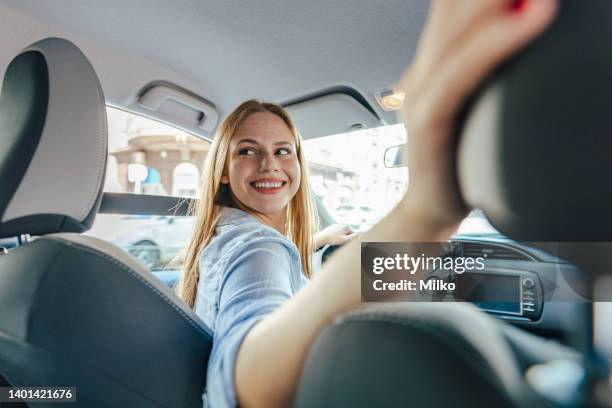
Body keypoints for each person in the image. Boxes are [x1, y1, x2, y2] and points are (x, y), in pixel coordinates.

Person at [176, 0, 558, 406]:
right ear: (221, 169)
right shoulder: (261, 248)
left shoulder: (227, 237)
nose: (271, 165)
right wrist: (426, 210)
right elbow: (244, 381)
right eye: (248, 151)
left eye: (284, 151)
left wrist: (314, 243)